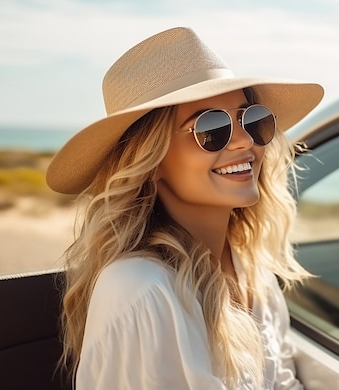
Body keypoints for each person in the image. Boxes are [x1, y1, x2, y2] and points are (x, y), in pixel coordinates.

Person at [45, 27, 324, 389]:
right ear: (151, 160)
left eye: (250, 119)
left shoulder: (252, 271)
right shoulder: (140, 290)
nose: (244, 140)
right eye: (210, 128)